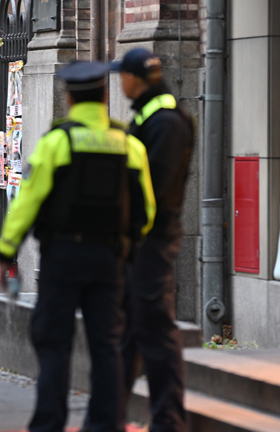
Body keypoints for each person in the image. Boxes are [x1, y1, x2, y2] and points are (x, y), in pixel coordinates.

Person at [0, 61, 156, 432]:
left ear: (68, 99)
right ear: (104, 96)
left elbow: (28, 201)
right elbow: (146, 210)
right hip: (109, 259)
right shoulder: (129, 145)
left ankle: (49, 423)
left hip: (62, 258)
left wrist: (8, 250)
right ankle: (105, 423)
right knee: (107, 344)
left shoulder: (58, 143)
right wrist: (127, 246)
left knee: (54, 342)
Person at [110, 48, 194, 432]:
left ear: (134, 79)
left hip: (153, 242)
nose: (119, 82)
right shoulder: (152, 117)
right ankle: (111, 414)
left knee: (155, 329)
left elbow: (152, 189)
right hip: (140, 242)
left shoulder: (165, 122)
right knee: (128, 330)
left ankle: (168, 419)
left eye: (122, 76)